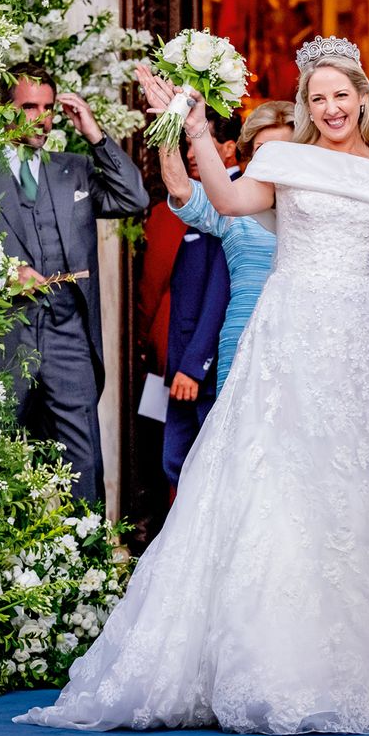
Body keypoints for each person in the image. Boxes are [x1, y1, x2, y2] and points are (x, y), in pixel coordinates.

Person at [15, 38, 369, 734]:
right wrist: (186, 124)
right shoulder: (284, 160)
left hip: (361, 346)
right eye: (318, 97)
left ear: (364, 98)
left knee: (363, 492)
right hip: (287, 338)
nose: (332, 106)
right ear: (306, 107)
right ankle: (268, 655)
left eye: (342, 94)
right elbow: (220, 195)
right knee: (275, 485)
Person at [0, 63, 148, 505]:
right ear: (5, 110)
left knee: (82, 459)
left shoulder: (73, 169)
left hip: (68, 334)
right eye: (28, 107)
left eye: (47, 108)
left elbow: (133, 198)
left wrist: (95, 136)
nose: (41, 118)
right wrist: (3, 272)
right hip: (5, 332)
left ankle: (89, 560)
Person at [162, 102, 294, 409]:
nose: (273, 160)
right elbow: (181, 190)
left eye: (284, 150)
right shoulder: (233, 205)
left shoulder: (320, 212)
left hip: (299, 346)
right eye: (263, 150)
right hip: (240, 348)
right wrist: (172, 120)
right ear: (249, 155)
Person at [159, 139, 231, 490]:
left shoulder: (232, 202)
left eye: (199, 142)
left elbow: (221, 291)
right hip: (181, 363)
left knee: (201, 470)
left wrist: (194, 364)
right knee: (177, 464)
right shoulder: (203, 198)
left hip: (203, 367)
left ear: (230, 149)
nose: (191, 153)